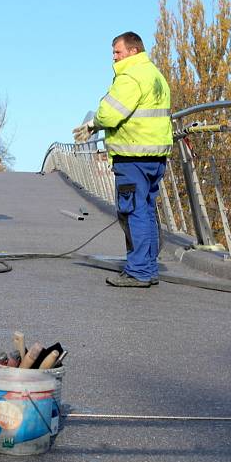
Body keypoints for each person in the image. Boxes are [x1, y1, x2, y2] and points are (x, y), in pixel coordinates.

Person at [73, 31, 172, 288]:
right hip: (155, 155)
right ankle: (148, 268)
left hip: (132, 155)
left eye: (117, 52)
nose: (114, 58)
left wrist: (94, 123)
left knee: (132, 212)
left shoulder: (130, 77)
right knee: (147, 211)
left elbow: (109, 113)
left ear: (133, 51)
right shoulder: (155, 75)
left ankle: (138, 271)